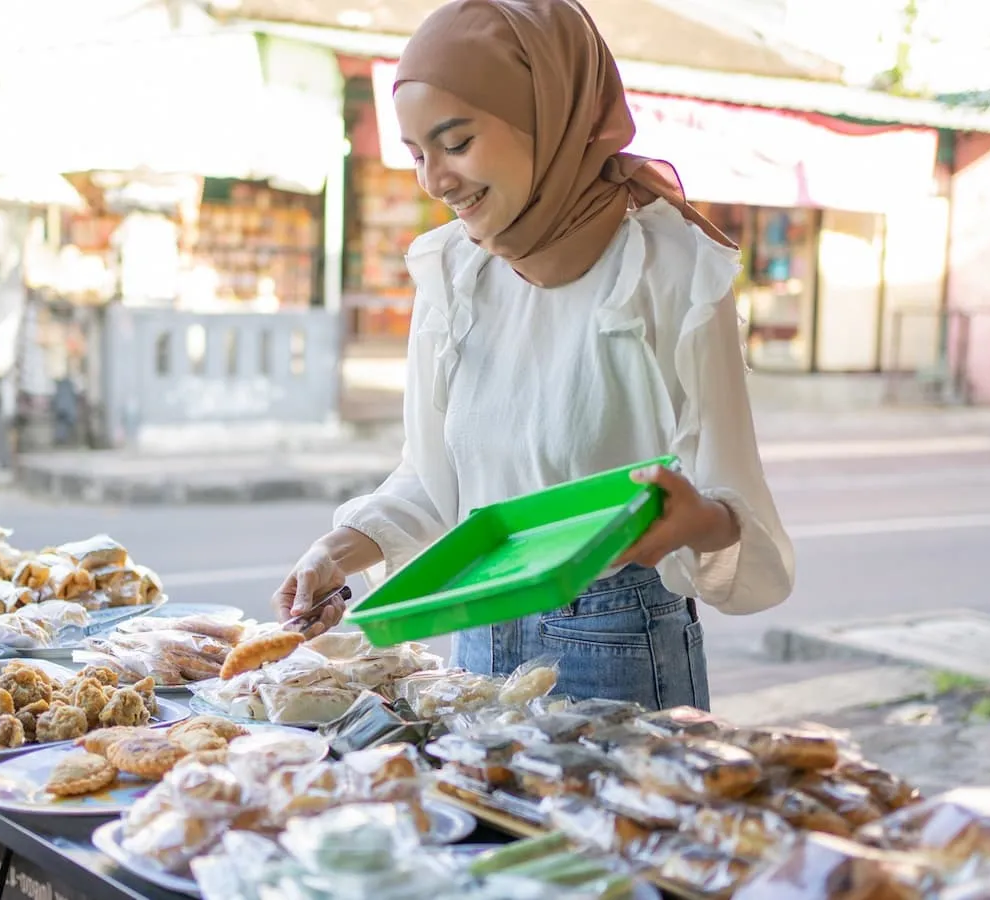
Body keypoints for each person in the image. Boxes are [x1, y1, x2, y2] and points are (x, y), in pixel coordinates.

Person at [273, 0, 795, 711]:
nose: (434, 180)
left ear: (547, 114)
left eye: (455, 143)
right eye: (416, 154)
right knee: (488, 822)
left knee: (621, 825)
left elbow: (739, 513)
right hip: (475, 629)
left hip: (617, 644)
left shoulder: (669, 269)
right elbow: (441, 478)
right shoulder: (455, 272)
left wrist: (691, 520)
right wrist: (337, 550)